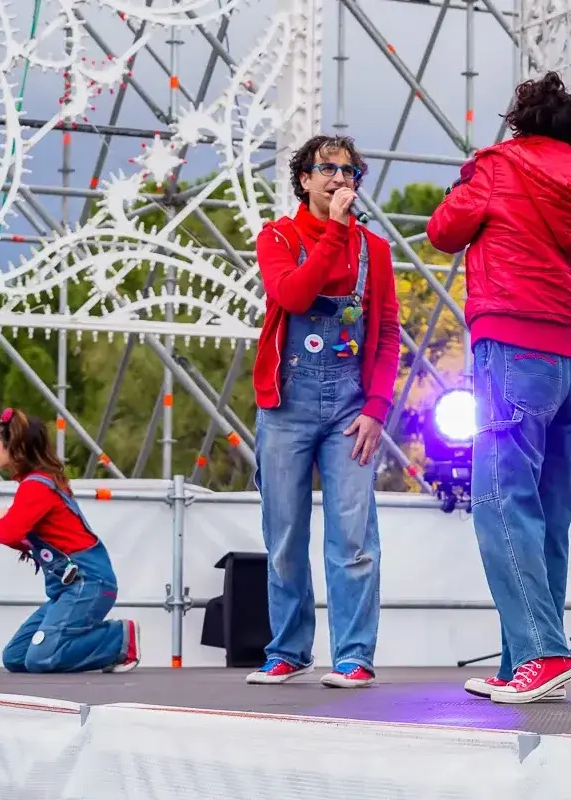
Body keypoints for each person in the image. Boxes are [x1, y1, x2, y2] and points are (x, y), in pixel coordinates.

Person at [426, 71, 571, 704]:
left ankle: (540, 653)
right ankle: (525, 662)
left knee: (503, 502)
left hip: (508, 347)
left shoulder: (497, 166)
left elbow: (444, 231)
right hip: (563, 362)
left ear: (520, 120)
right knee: (547, 511)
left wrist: (468, 184)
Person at [248, 134, 400, 688]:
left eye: (350, 171)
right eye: (327, 169)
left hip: (349, 410)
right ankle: (289, 649)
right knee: (285, 534)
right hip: (286, 406)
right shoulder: (277, 238)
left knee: (353, 537)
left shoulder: (375, 252)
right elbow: (291, 295)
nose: (340, 178)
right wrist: (335, 231)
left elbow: (386, 335)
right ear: (304, 179)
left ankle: (354, 655)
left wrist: (377, 409)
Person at [0, 408, 140, 674]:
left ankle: (120, 638)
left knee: (40, 658)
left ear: (13, 447)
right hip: (69, 588)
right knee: (15, 657)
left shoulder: (36, 486)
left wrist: (2, 517)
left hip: (88, 583)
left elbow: (7, 533)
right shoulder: (41, 483)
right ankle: (95, 644)